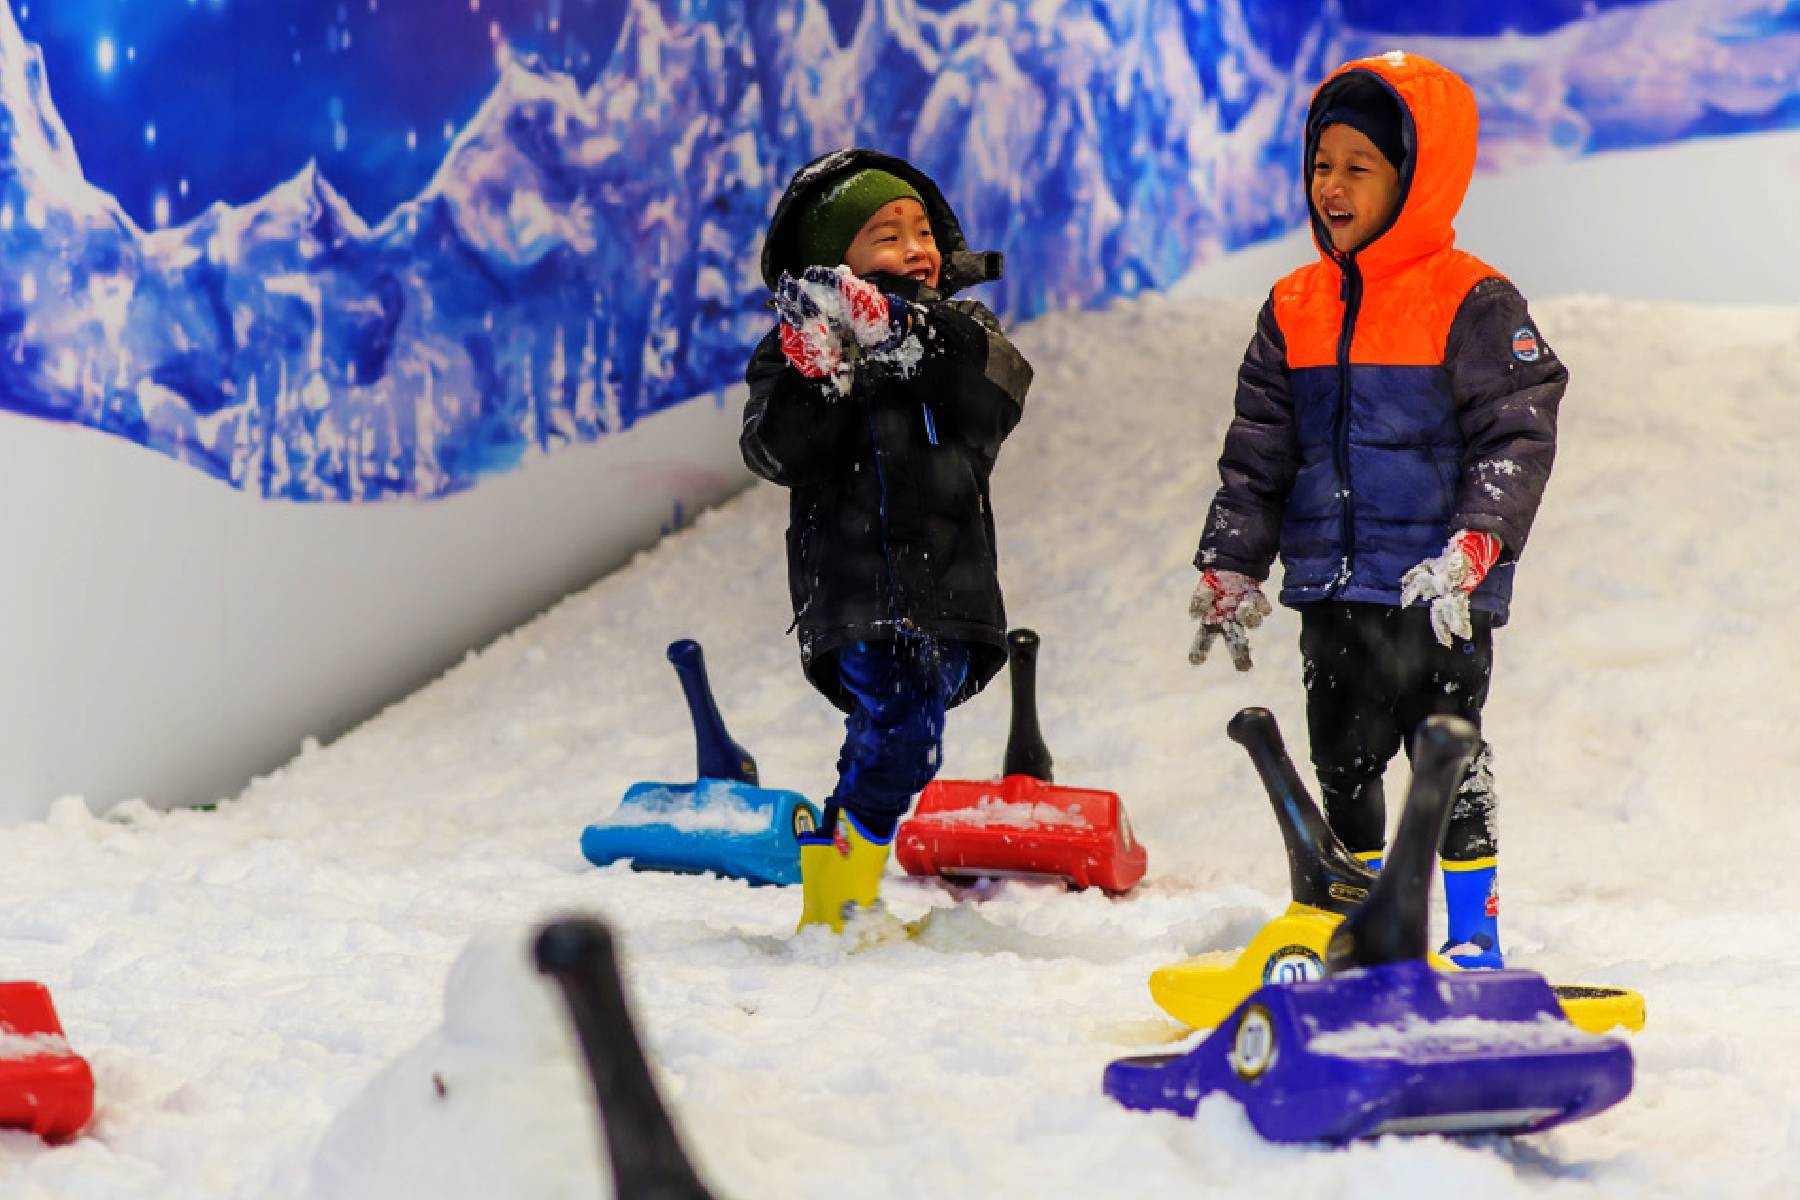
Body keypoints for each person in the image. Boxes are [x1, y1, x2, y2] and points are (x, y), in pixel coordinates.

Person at [1187, 54, 1567, 969]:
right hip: (1331, 589)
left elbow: (1518, 428)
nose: (1333, 186)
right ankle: (1363, 933)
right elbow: (1259, 451)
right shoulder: (1292, 306)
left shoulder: (1472, 299)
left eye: (1361, 166)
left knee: (1450, 762)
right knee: (1344, 762)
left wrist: (1479, 542)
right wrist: (1234, 559)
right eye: (1322, 164)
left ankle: (1474, 937)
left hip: (1437, 594)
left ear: (1415, 176)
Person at [742, 149, 1033, 942]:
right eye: (885, 235)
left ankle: (835, 894)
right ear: (836, 261)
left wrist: (906, 327)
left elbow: (997, 396)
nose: (914, 248)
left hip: (950, 589)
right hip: (859, 591)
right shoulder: (793, 348)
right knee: (902, 734)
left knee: (898, 740)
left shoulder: (963, 331)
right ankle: (838, 897)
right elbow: (774, 453)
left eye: (920, 230)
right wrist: (819, 374)